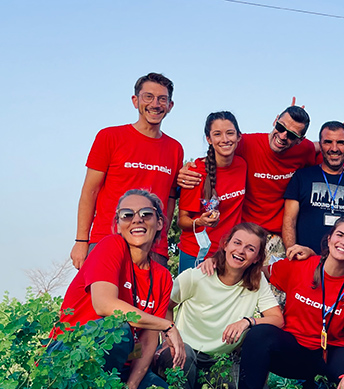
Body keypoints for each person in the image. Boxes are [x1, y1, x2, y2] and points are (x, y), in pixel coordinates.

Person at [53, 190, 185, 389]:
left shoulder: (162, 277)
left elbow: (149, 339)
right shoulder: (110, 246)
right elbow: (104, 304)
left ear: (160, 223)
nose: (137, 219)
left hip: (119, 367)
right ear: (118, 224)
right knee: (118, 328)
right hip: (73, 355)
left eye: (146, 213)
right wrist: (167, 325)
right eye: (127, 215)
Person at [238, 217, 344, 389]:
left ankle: (326, 388)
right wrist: (219, 262)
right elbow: (258, 274)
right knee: (259, 335)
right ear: (329, 239)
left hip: (328, 350)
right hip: (292, 348)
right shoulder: (301, 265)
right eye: (339, 235)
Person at [71, 73, 184, 270]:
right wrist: (81, 241)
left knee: (151, 301)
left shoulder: (175, 149)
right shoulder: (109, 137)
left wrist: (162, 238)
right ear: (135, 100)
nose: (155, 104)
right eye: (148, 97)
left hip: (153, 248)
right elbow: (90, 191)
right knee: (100, 300)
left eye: (162, 99)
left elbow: (170, 198)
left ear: (170, 106)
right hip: (107, 240)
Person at [162, 222, 283, 389]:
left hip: (220, 360)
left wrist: (247, 322)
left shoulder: (257, 282)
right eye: (237, 243)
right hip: (186, 351)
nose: (241, 251)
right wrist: (168, 339)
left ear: (257, 258)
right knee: (178, 357)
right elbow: (166, 306)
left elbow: (277, 320)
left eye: (250, 248)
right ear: (226, 244)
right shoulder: (197, 275)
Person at [177, 105, 316, 260]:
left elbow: (328, 152)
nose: (283, 136)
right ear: (275, 120)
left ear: (300, 140)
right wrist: (188, 168)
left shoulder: (306, 150)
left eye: (291, 134)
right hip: (243, 236)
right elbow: (219, 149)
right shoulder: (246, 144)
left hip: (277, 238)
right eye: (280, 127)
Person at [282, 121, 344, 252]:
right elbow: (289, 219)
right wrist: (292, 252)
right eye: (328, 142)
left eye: (340, 142)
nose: (334, 148)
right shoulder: (302, 176)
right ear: (320, 145)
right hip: (306, 259)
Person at [177, 111, 247, 272]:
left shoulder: (242, 165)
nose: (225, 139)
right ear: (209, 139)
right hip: (196, 254)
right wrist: (200, 222)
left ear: (238, 137)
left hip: (228, 254)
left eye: (230, 133)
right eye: (217, 134)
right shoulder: (196, 173)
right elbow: (182, 221)